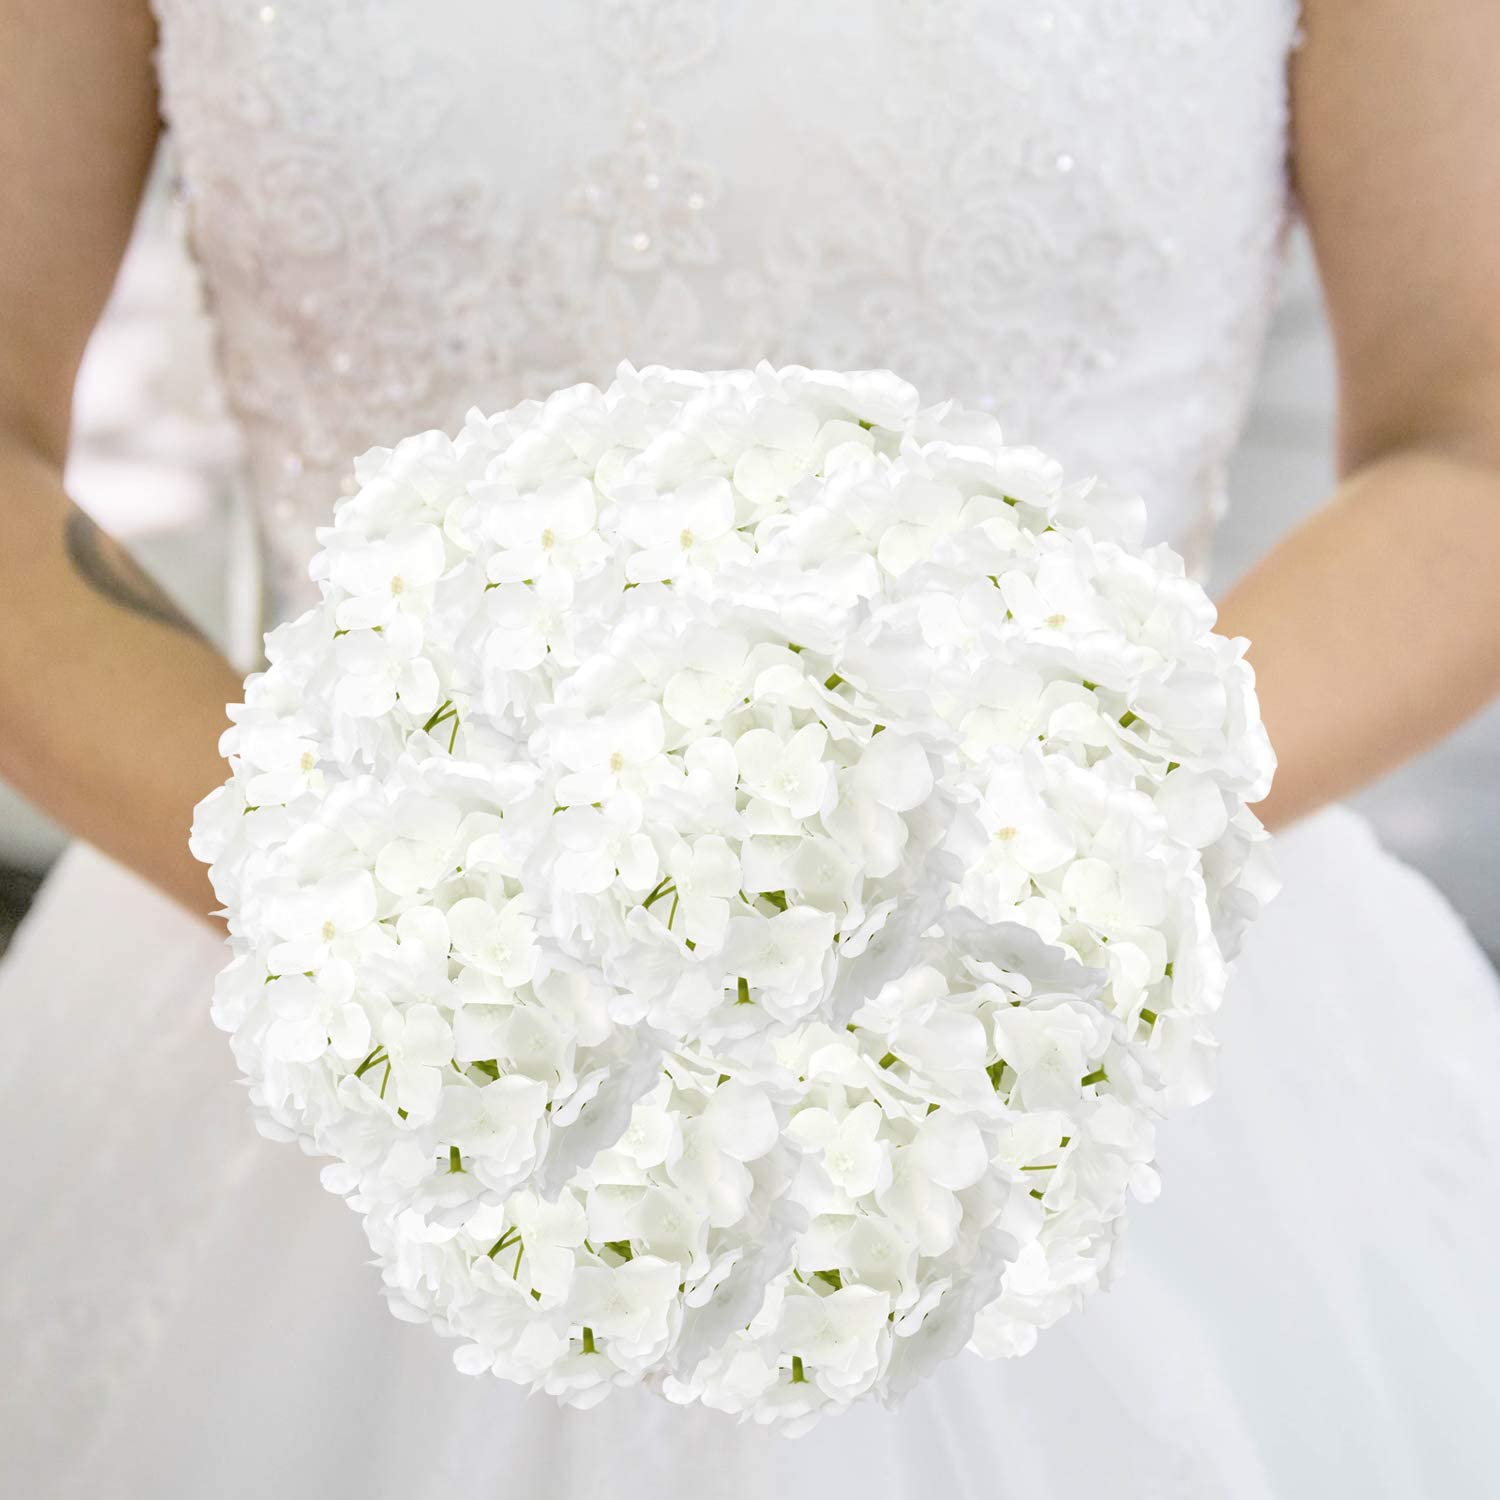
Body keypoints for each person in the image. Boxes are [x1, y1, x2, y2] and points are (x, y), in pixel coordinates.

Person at [2, 2, 1498, 1496]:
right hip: (340, 1009)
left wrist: (1060, 845)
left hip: (1090, 1011)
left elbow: (1469, 437)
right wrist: (379, 908)